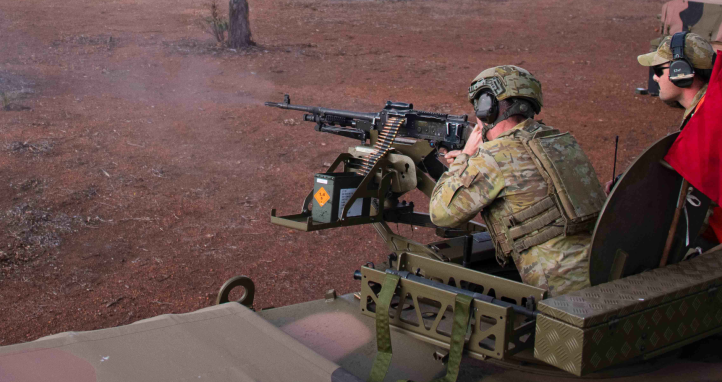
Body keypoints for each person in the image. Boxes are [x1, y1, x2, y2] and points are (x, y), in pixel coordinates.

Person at [429, 65, 605, 297]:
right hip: (599, 269)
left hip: (561, 295)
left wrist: (466, 157)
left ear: (486, 108)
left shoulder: (493, 157)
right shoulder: (559, 140)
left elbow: (441, 214)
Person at [637, 32, 721, 245]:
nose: (654, 77)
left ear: (680, 72)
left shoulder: (707, 123)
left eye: (658, 70)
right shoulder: (706, 108)